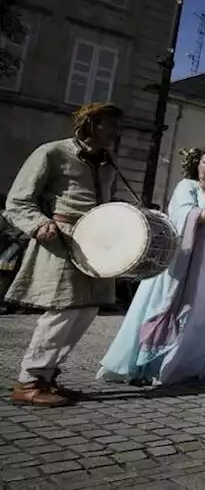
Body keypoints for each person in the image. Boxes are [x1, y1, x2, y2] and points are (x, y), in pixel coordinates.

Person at [98, 144, 205, 386]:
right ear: (196, 165)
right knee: (185, 306)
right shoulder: (187, 187)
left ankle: (197, 364)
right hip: (190, 257)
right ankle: (161, 363)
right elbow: (184, 215)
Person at [4, 103, 124, 406]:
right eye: (110, 124)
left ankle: (47, 376)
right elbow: (18, 201)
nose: (115, 132)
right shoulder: (53, 152)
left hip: (97, 247)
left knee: (87, 310)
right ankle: (28, 381)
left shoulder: (109, 162)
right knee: (63, 310)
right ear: (93, 124)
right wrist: (38, 225)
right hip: (63, 240)